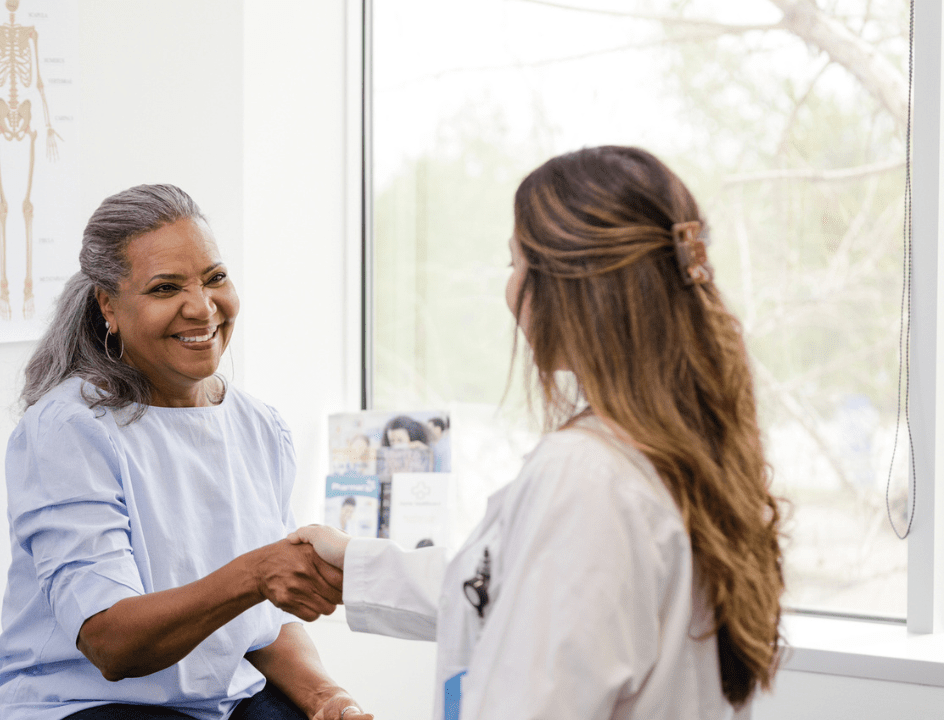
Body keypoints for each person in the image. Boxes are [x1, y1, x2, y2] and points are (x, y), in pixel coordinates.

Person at [292, 146, 785, 719]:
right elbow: (503, 589)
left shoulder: (585, 476)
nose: (510, 292)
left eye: (516, 265)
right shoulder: (678, 443)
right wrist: (354, 563)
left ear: (570, 286)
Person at [0, 184, 373, 720]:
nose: (203, 308)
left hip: (219, 702)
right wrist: (255, 573)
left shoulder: (260, 428)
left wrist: (328, 698)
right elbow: (111, 643)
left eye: (215, 278)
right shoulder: (70, 431)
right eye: (166, 288)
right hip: (84, 703)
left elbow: (265, 624)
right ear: (107, 305)